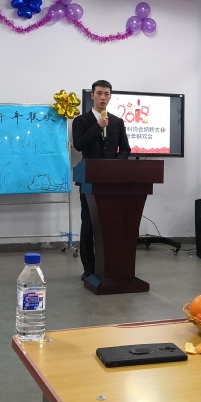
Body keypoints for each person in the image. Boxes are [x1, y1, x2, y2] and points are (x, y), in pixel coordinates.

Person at [71, 80, 130, 281]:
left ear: (110, 96)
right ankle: (89, 268)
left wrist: (114, 165)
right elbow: (79, 145)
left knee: (110, 225)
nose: (103, 97)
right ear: (92, 95)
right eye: (99, 93)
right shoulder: (81, 121)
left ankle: (109, 265)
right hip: (89, 180)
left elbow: (125, 150)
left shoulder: (117, 122)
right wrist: (97, 127)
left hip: (111, 183)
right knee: (89, 224)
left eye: (106, 94)